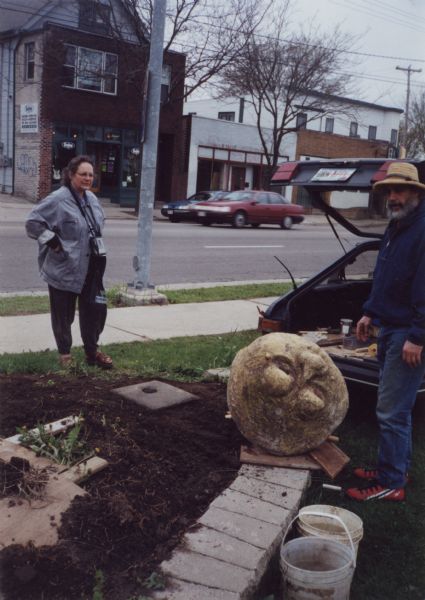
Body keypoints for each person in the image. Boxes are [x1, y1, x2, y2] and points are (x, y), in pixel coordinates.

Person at [346, 161, 425, 501]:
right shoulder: (396, 227)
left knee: (392, 411)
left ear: (415, 193)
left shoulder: (422, 229)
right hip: (390, 326)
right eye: (389, 191)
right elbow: (386, 277)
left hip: (409, 333)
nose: (393, 196)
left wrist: (418, 336)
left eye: (400, 190)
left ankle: (392, 484)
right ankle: (391, 466)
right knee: (392, 407)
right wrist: (369, 314)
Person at [26, 155, 113, 369]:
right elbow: (32, 222)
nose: (87, 178)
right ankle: (65, 355)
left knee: (95, 311)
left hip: (91, 268)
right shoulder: (58, 199)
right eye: (83, 174)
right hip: (64, 268)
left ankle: (92, 352)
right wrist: (53, 241)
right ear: (71, 175)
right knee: (63, 316)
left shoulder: (92, 199)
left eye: (91, 175)